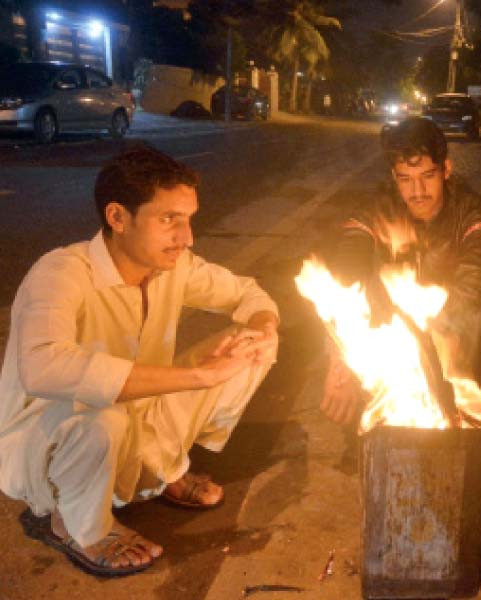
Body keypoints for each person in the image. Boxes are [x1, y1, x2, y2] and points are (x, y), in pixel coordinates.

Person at [0, 145, 280, 576]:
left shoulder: (174, 267)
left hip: (132, 422)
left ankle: (159, 471)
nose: (186, 237)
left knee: (250, 347)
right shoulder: (59, 273)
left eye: (189, 219)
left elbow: (246, 293)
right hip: (52, 442)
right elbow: (43, 367)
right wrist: (196, 375)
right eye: (169, 220)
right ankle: (77, 524)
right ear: (117, 218)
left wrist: (262, 328)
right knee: (105, 418)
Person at [321, 116, 481, 424]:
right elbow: (347, 262)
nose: (417, 191)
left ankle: (450, 393)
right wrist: (341, 358)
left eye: (427, 176)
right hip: (396, 332)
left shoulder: (471, 209)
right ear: (394, 177)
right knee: (341, 294)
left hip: (453, 334)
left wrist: (433, 326)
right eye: (405, 178)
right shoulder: (381, 206)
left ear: (446, 169)